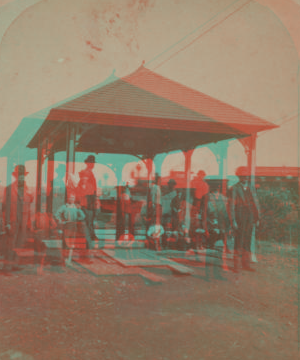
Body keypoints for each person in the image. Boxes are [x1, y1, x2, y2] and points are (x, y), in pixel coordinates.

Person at [1, 165, 34, 274]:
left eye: (23, 176)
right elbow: (5, 208)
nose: (21, 178)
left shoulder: (26, 189)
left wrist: (28, 222)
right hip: (13, 222)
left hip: (23, 222)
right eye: (19, 176)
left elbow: (29, 203)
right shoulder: (9, 188)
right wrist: (7, 223)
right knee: (10, 244)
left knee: (18, 244)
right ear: (15, 176)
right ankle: (6, 268)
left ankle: (14, 265)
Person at [230, 168, 260, 272]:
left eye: (246, 176)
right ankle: (236, 266)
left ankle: (246, 264)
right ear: (239, 176)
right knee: (239, 241)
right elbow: (232, 206)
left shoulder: (251, 187)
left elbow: (256, 203)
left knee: (247, 241)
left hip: (250, 217)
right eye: (243, 176)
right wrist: (233, 220)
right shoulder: (234, 188)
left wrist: (257, 218)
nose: (245, 178)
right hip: (240, 217)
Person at [55, 192, 93, 263]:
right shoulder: (64, 207)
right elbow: (57, 214)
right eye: (70, 198)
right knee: (65, 243)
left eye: (73, 198)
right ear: (68, 198)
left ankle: (69, 258)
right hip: (66, 227)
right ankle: (63, 259)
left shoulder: (76, 207)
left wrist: (77, 219)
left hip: (74, 227)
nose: (72, 199)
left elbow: (83, 216)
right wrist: (61, 221)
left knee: (72, 244)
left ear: (74, 199)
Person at [76, 156, 97, 241]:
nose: (92, 164)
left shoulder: (89, 173)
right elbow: (82, 188)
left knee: (90, 220)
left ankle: (91, 236)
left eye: (93, 162)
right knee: (89, 220)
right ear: (87, 163)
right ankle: (90, 236)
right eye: (90, 162)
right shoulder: (86, 173)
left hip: (90, 200)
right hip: (87, 200)